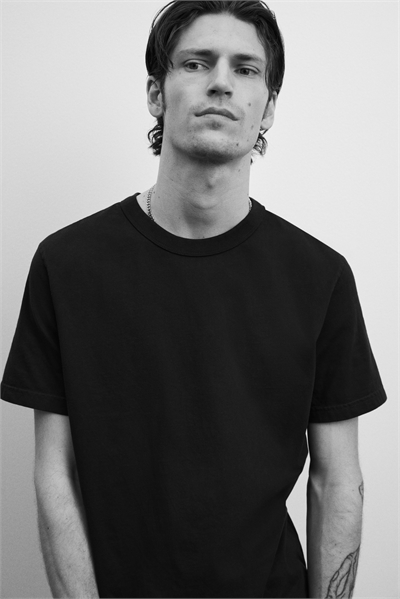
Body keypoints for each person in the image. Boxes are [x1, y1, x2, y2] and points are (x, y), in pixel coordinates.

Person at [1, 1, 387, 597]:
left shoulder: (321, 276)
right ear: (156, 93)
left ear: (269, 107)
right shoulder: (68, 264)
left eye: (246, 69)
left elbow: (337, 480)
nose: (221, 83)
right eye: (196, 62)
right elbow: (56, 473)